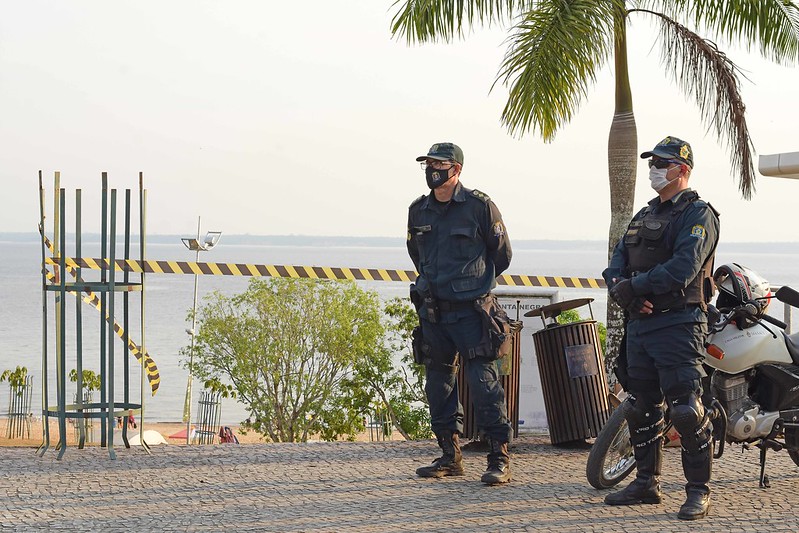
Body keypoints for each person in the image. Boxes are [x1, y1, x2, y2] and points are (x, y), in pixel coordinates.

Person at [602, 136, 720, 520]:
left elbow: (683, 268)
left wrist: (633, 287)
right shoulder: (644, 214)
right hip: (642, 323)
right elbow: (616, 263)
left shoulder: (698, 214)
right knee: (640, 406)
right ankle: (645, 484)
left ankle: (698, 491)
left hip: (679, 323)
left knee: (685, 409)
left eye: (662, 163)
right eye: (653, 161)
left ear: (682, 169)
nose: (654, 169)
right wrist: (627, 296)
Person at [407, 142, 514, 485]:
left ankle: (499, 458)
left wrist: (472, 284)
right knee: (438, 386)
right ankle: (449, 456)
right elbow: (416, 254)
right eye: (428, 163)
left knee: (483, 385)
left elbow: (502, 255)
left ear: (457, 169)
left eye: (439, 163)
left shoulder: (479, 206)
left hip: (472, 314)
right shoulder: (418, 210)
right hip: (434, 314)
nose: (432, 169)